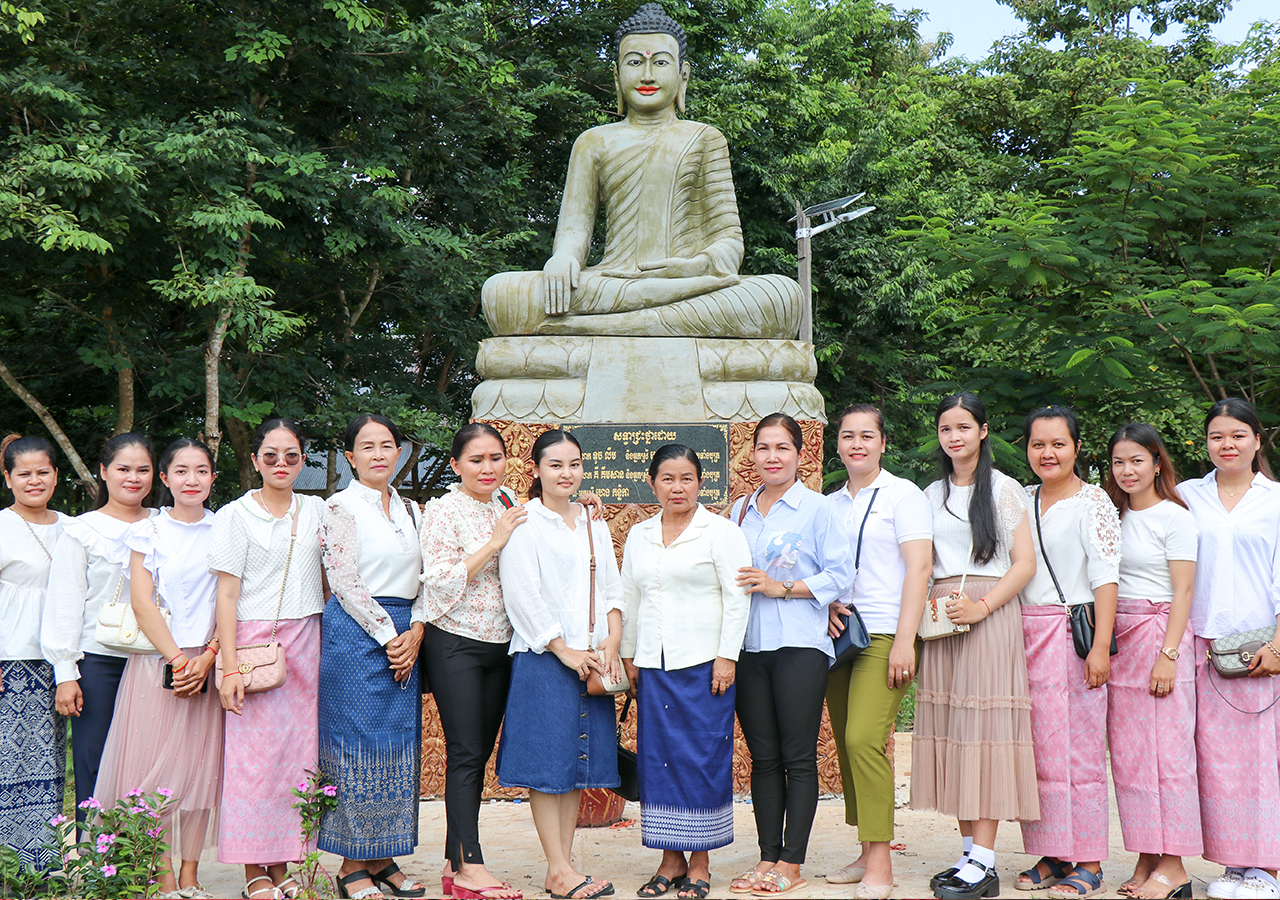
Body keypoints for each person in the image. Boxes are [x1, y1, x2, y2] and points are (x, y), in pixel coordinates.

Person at [481, 3, 800, 339]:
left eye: (660, 62)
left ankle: (597, 327)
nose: (647, 75)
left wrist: (695, 266)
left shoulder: (705, 138)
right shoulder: (593, 142)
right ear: (617, 75)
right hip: (612, 282)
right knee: (503, 293)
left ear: (683, 75)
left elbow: (730, 241)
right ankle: (646, 323)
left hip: (690, 283)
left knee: (779, 296)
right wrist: (562, 259)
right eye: (635, 62)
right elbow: (574, 232)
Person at [911, 392, 1037, 900]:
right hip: (942, 618)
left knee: (984, 733)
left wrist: (983, 607)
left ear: (983, 431)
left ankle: (985, 861)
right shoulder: (929, 494)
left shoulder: (1005, 490)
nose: (954, 436)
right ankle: (968, 856)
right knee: (954, 734)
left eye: (964, 427)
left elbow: (1024, 563)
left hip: (988, 613)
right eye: (946, 428)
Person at [727, 412, 852, 898]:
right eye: (763, 447)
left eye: (782, 447)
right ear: (752, 454)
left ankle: (792, 861)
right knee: (763, 757)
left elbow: (840, 575)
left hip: (800, 645)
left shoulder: (818, 509)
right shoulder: (739, 511)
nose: (772, 456)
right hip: (748, 647)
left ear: (800, 454)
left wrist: (782, 587)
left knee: (798, 757)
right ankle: (766, 856)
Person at [620, 444, 752, 900]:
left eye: (687, 479)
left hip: (704, 666)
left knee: (702, 758)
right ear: (652, 482)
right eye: (667, 478)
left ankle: (700, 862)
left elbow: (738, 598)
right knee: (659, 760)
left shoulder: (721, 532)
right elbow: (631, 597)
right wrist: (629, 655)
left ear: (701, 482)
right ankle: (670, 859)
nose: (677, 488)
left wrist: (727, 656)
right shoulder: (639, 534)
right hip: (654, 666)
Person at [94, 438, 223, 899]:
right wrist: (178, 660)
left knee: (199, 770)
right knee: (155, 770)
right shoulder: (147, 532)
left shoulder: (224, 529)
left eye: (202, 470)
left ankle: (191, 874)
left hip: (208, 662)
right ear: (165, 478)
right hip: (157, 662)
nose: (192, 480)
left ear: (213, 478)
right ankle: (162, 873)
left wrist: (208, 656)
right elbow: (141, 602)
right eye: (181, 471)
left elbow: (233, 600)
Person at [496, 429, 623, 900]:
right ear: (536, 470)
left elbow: (611, 587)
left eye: (574, 464)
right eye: (555, 465)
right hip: (545, 659)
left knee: (575, 767)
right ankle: (557, 867)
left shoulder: (593, 521)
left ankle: (563, 869)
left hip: (592, 661)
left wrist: (613, 638)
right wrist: (562, 648)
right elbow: (522, 593)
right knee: (548, 767)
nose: (566, 473)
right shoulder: (524, 522)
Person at [211, 418, 326, 900]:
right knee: (252, 760)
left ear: (303, 460)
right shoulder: (234, 515)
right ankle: (252, 870)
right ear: (255, 460)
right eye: (271, 455)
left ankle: (283, 865)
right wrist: (229, 667)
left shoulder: (317, 510)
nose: (282, 463)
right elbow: (226, 594)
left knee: (295, 759)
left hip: (307, 641)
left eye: (291, 455)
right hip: (253, 645)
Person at [317, 414, 428, 900]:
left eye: (387, 445)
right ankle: (351, 865)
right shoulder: (339, 507)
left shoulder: (413, 510)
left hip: (407, 633)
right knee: (356, 746)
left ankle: (382, 857)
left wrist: (416, 629)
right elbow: (344, 581)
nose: (379, 454)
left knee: (397, 745)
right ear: (350, 457)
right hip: (357, 634)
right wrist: (389, 636)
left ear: (399, 453)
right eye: (367, 446)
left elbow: (429, 576)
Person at [823, 406, 932, 900]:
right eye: (848, 436)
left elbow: (919, 568)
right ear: (838, 445)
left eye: (867, 436)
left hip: (886, 633)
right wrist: (827, 604)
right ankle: (866, 852)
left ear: (883, 443)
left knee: (864, 739)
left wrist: (906, 640)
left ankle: (882, 863)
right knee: (848, 743)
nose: (857, 444)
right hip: (839, 635)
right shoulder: (829, 504)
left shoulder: (902, 495)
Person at [1014, 407, 1120, 899]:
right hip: (1026, 637)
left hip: (1074, 635)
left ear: (1076, 447)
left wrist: (1100, 648)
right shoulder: (1020, 499)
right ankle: (1054, 851)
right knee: (1040, 752)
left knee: (1081, 753)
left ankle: (1090, 860)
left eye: (1058, 443)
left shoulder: (1093, 501)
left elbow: (1105, 577)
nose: (1048, 453)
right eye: (1038, 444)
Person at [419, 423, 527, 900]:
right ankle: (471, 865)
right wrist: (495, 542)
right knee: (464, 752)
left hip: (502, 644)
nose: (488, 468)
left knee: (477, 754)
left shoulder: (508, 501)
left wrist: (583, 506)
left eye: (495, 458)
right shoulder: (442, 511)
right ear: (455, 465)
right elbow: (441, 578)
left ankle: (453, 862)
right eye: (476, 460)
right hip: (455, 642)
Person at [1180, 398, 1280, 900]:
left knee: (1261, 761)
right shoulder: (1187, 495)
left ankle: (1268, 867)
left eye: (1238, 435)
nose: (1227, 444)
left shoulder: (1276, 500)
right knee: (1215, 761)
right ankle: (1236, 863)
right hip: (1199, 643)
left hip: (1257, 647)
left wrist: (1278, 645)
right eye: (1217, 436)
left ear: (1257, 440)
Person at [1105, 423, 1200, 900]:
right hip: (1121, 641)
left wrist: (1168, 654)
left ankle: (1175, 864)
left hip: (1161, 637)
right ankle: (1147, 853)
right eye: (1119, 462)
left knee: (1169, 757)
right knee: (1131, 757)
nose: (1128, 470)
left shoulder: (1174, 517)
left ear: (1157, 463)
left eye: (1137, 460)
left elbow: (1184, 590)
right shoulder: (1112, 516)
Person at [42, 432, 156, 824]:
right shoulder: (81, 530)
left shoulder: (166, 524)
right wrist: (65, 673)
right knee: (94, 760)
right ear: (104, 472)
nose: (133, 478)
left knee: (149, 760)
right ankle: (95, 853)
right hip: (98, 661)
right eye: (123, 469)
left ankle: (144, 853)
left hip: (155, 660)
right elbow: (65, 603)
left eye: (143, 470)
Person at [0, 434, 69, 871]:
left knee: (50, 765)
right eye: (23, 473)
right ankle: (11, 868)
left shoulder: (72, 527)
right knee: (11, 766)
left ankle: (43, 866)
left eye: (43, 472)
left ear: (56, 476)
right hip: (11, 663)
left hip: (61, 664)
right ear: (8, 478)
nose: (34, 480)